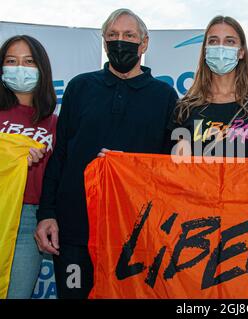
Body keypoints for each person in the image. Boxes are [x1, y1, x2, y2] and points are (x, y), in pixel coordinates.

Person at [34, 8, 178, 299]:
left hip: (136, 234)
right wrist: (47, 213)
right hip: (76, 231)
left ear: (144, 43)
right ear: (103, 41)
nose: (119, 41)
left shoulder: (164, 96)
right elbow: (60, 155)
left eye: (128, 35)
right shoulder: (79, 87)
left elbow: (169, 167)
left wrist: (129, 165)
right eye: (112, 35)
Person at [169, 16, 248, 165]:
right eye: (213, 41)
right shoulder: (185, 108)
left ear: (241, 52)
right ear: (205, 50)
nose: (221, 48)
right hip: (199, 188)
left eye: (229, 41)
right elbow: (181, 170)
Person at [0, 35, 57, 298]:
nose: (19, 68)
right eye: (11, 61)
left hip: (28, 222)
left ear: (41, 69)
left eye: (28, 61)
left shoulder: (54, 123)